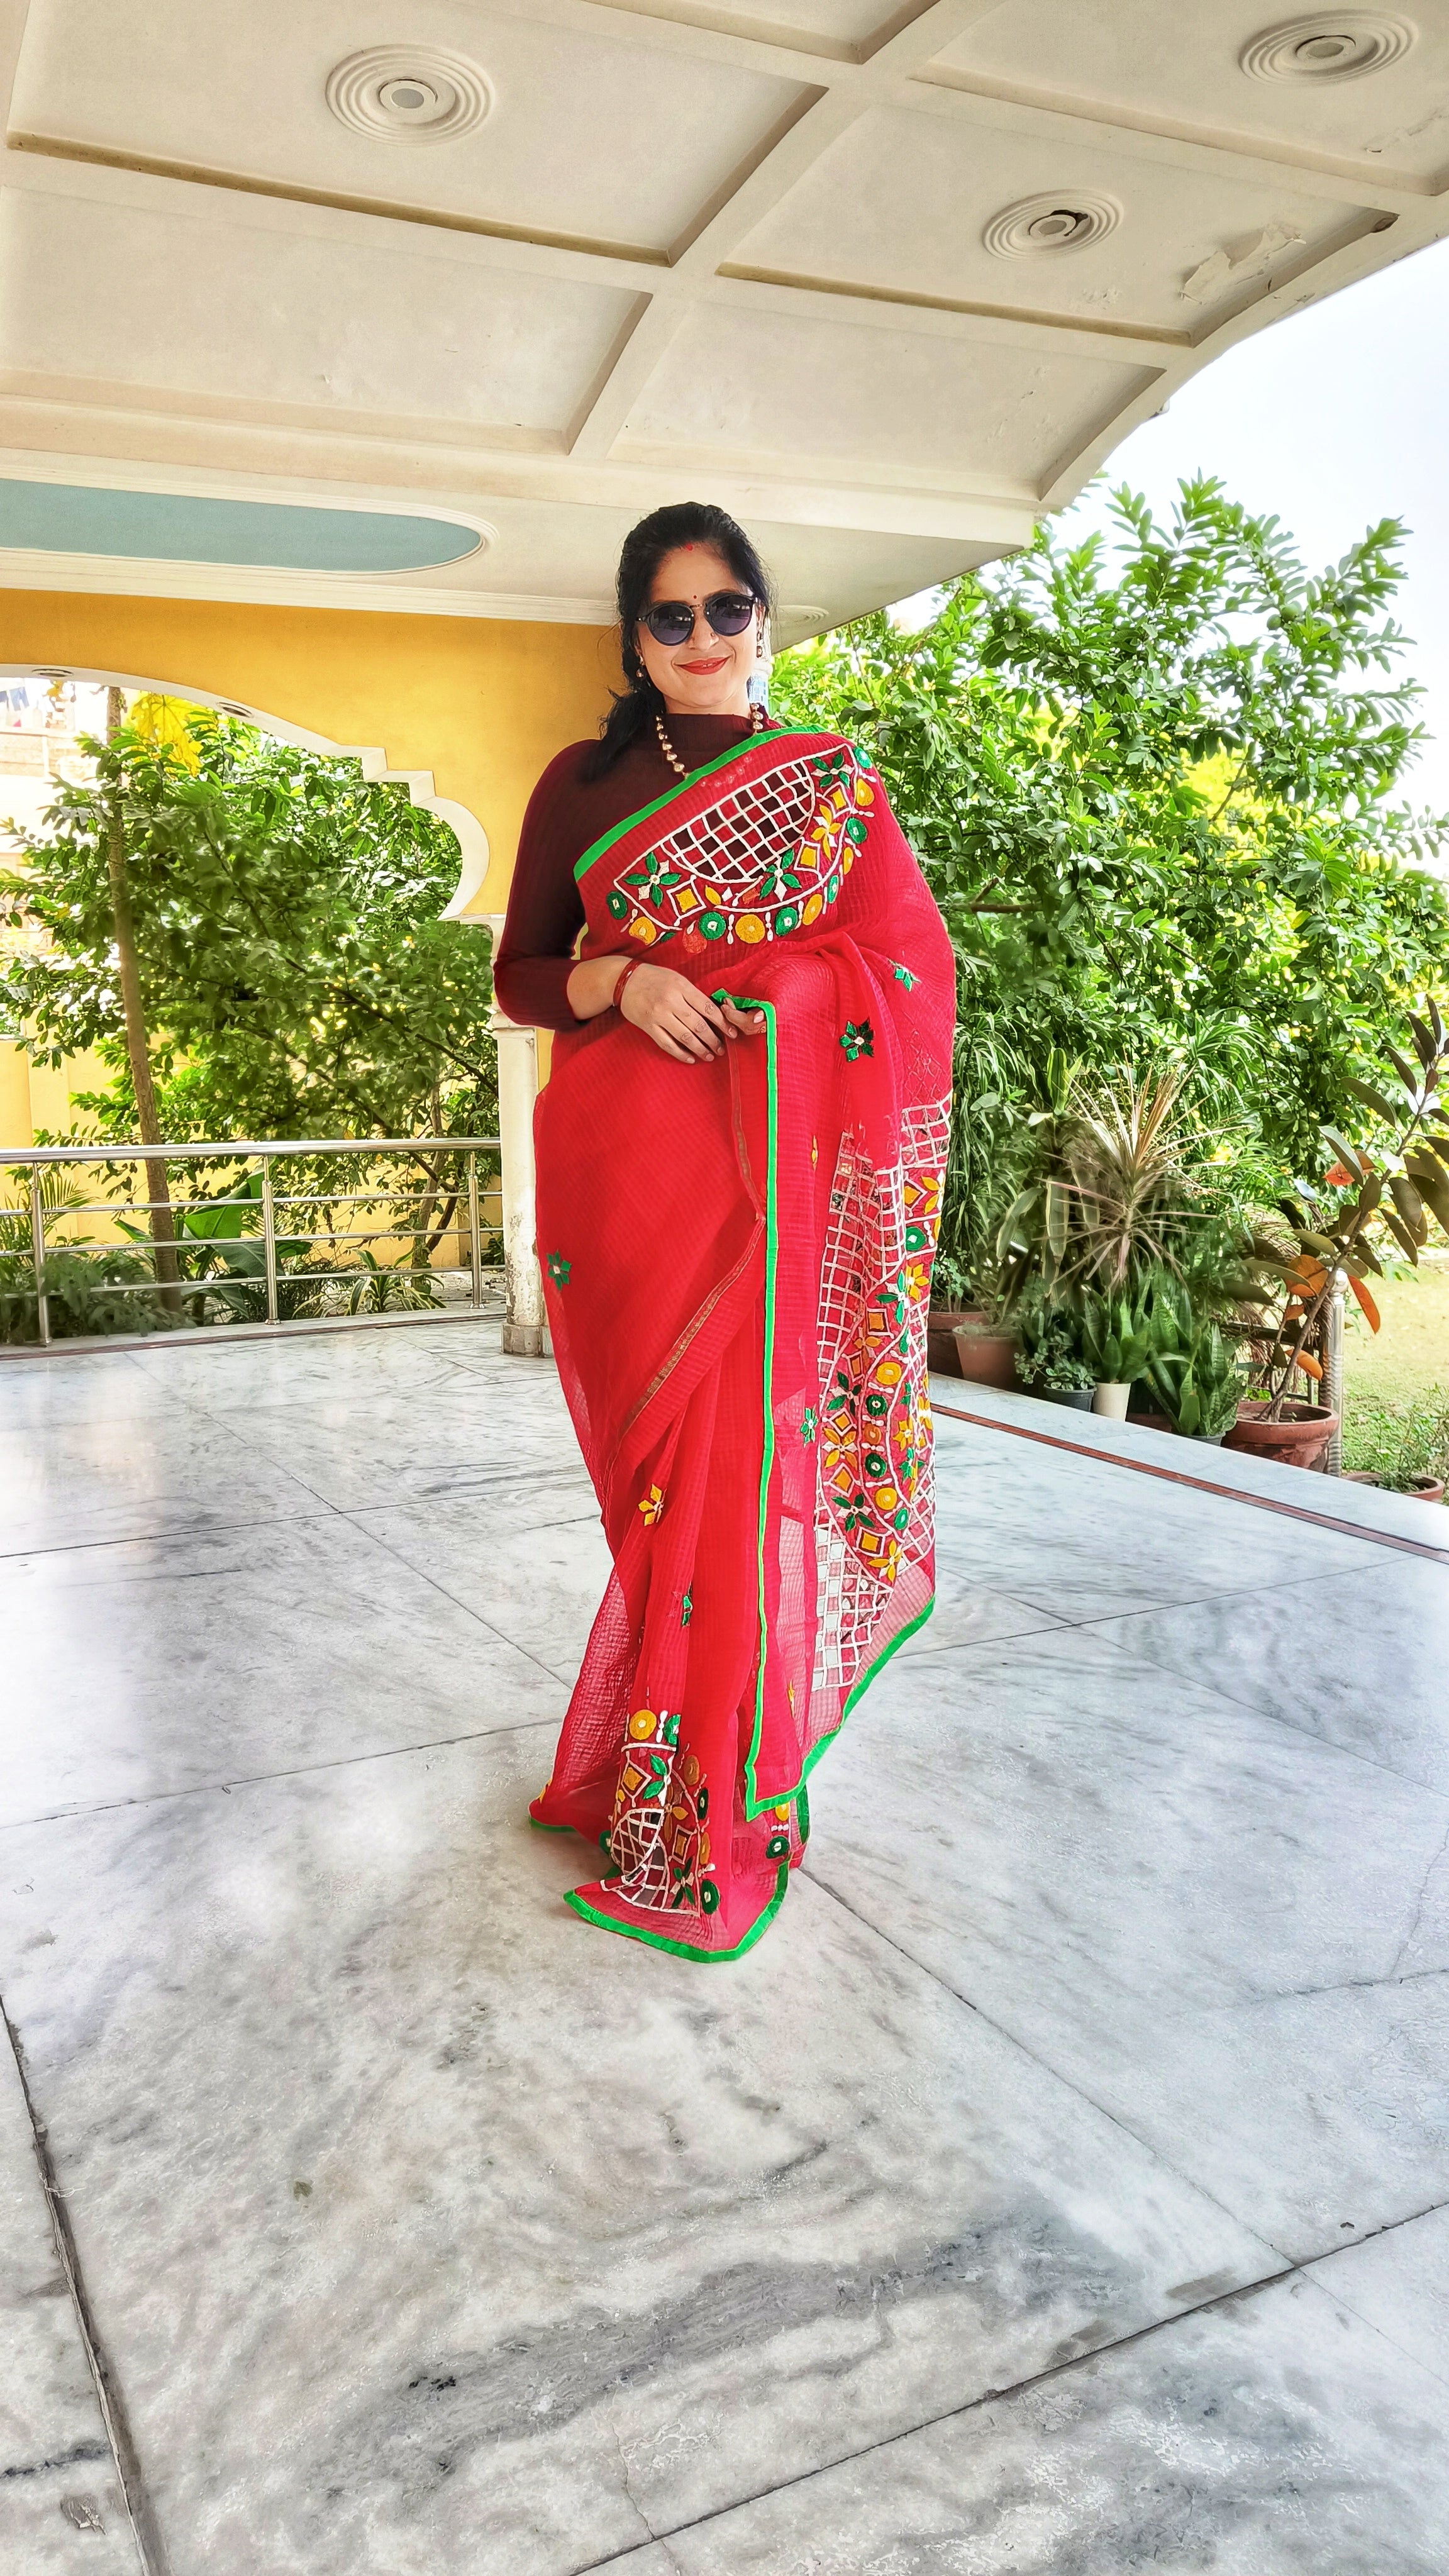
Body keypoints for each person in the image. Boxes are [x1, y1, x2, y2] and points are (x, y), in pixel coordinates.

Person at [494, 502, 954, 1957]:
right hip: (634, 1186)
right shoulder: (583, 783)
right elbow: (522, 971)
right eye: (671, 614)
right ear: (634, 635)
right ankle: (666, 1773)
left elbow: (911, 977)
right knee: (661, 1497)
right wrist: (622, 981)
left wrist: (799, 993)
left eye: (727, 607)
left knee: (745, 1487)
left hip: (776, 1193)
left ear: (765, 615)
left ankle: (718, 1800)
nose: (703, 637)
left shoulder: (831, 787)